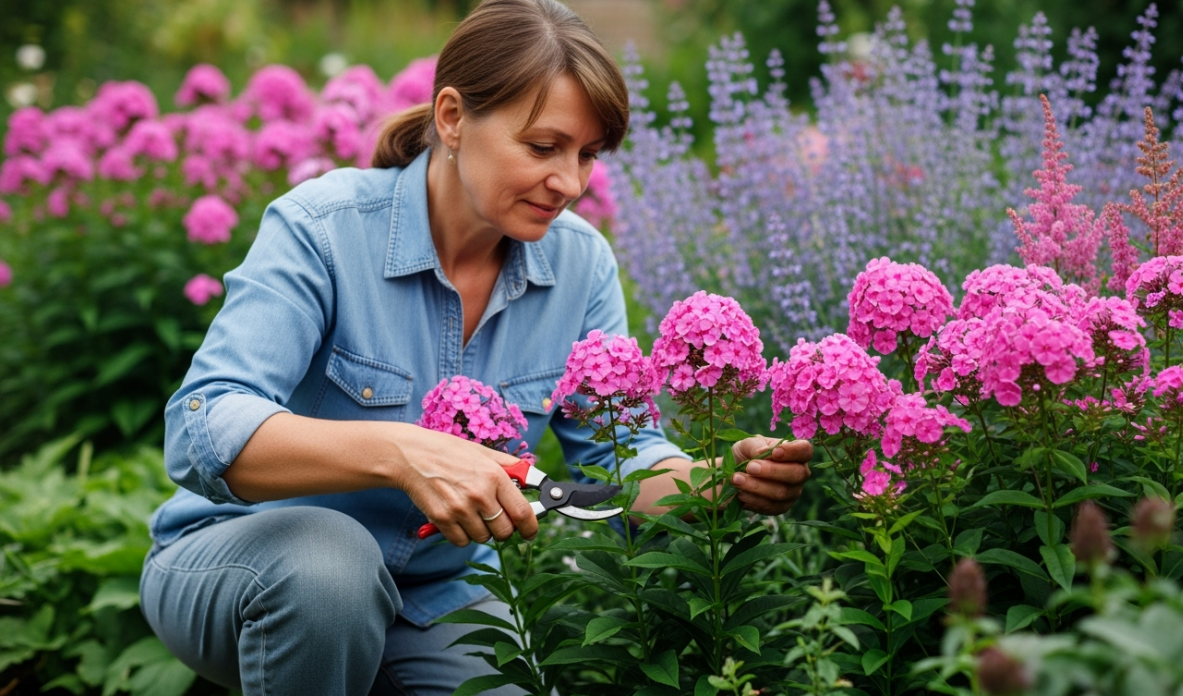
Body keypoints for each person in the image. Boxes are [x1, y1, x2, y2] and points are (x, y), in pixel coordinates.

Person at [140, 1, 813, 694]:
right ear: (453, 117)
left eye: (586, 156)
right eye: (544, 147)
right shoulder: (323, 229)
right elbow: (202, 429)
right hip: (245, 565)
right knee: (330, 571)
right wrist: (402, 456)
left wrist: (716, 478)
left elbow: (620, 453)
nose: (571, 184)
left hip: (436, 593)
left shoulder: (580, 265)